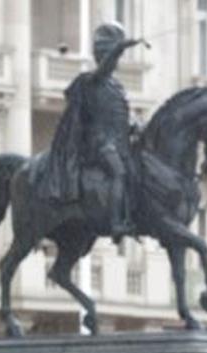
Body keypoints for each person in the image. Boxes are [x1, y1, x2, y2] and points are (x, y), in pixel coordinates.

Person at [43, 22, 145, 241]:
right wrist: (123, 45)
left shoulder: (117, 86)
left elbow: (122, 116)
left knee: (139, 171)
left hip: (119, 142)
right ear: (104, 55)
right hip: (99, 143)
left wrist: (138, 126)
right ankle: (116, 222)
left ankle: (133, 216)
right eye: (114, 55)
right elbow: (104, 69)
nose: (117, 61)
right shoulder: (92, 80)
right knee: (119, 172)